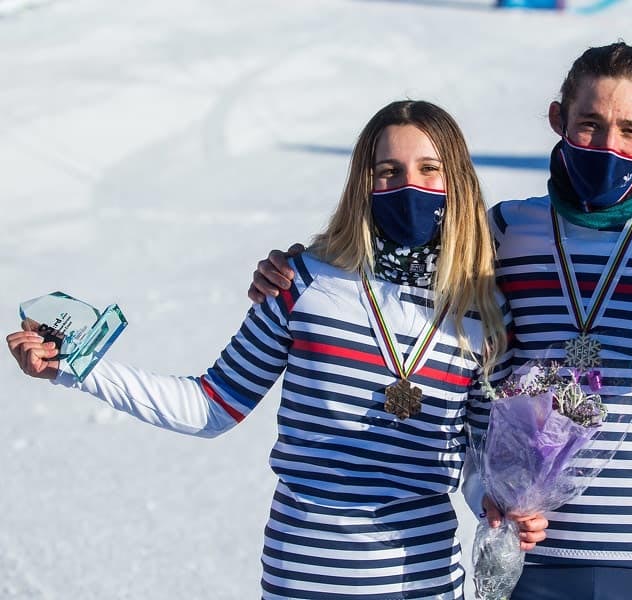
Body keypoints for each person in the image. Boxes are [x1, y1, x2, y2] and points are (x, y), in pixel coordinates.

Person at [248, 43, 632, 599]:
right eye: (590, 125)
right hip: (537, 569)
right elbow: (406, 294)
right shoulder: (502, 235)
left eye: (630, 131)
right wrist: (298, 269)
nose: (608, 145)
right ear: (558, 118)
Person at [7, 99, 549, 600]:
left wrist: (496, 502)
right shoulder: (303, 283)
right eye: (389, 171)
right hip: (301, 574)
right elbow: (211, 406)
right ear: (365, 183)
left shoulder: (479, 309)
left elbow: (478, 454)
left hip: (422, 579)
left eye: (429, 169)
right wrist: (78, 369)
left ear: (456, 181)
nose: (409, 185)